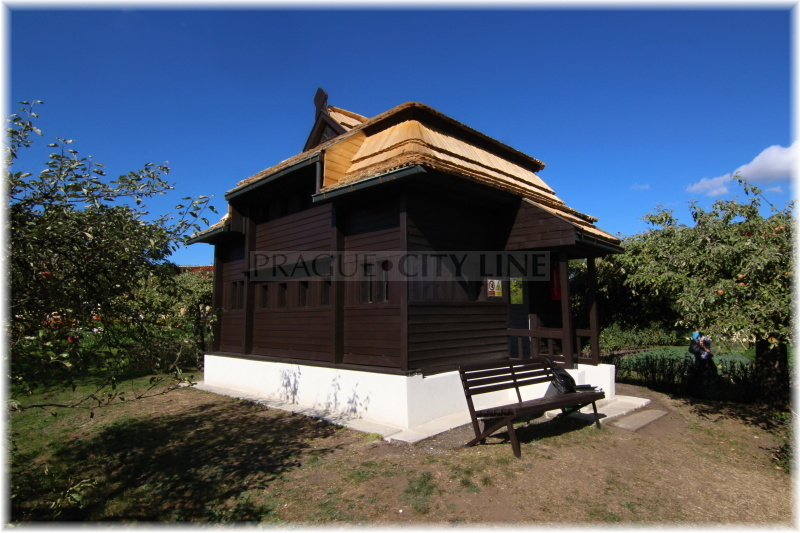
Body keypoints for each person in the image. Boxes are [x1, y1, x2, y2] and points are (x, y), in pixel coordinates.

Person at [688, 331, 716, 395]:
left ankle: (700, 389)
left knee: (701, 374)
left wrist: (704, 346)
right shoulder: (694, 347)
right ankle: (698, 390)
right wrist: (705, 348)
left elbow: (708, 353)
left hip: (703, 362)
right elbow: (707, 353)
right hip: (700, 363)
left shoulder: (697, 344)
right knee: (699, 375)